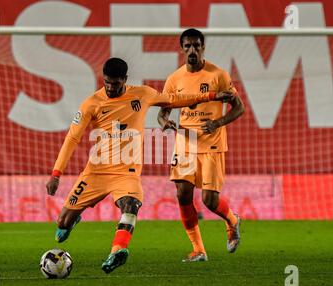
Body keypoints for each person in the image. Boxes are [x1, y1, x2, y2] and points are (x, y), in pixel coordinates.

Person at [46, 57, 231, 274]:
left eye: (115, 83)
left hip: (127, 173)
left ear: (124, 79)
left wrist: (210, 95)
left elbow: (173, 98)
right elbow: (72, 139)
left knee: (131, 204)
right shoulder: (91, 104)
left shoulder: (142, 94)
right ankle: (74, 218)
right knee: (62, 223)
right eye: (107, 82)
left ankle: (117, 251)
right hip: (96, 171)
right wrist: (56, 174)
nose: (110, 87)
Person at [157, 28, 245, 262]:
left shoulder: (218, 75)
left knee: (209, 201)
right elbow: (162, 112)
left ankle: (232, 220)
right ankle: (199, 250)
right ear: (181, 48)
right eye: (188, 46)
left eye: (197, 45)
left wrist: (218, 122)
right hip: (185, 144)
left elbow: (239, 107)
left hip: (211, 146)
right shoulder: (174, 79)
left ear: (203, 47)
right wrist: (165, 122)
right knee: (182, 194)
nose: (192, 50)